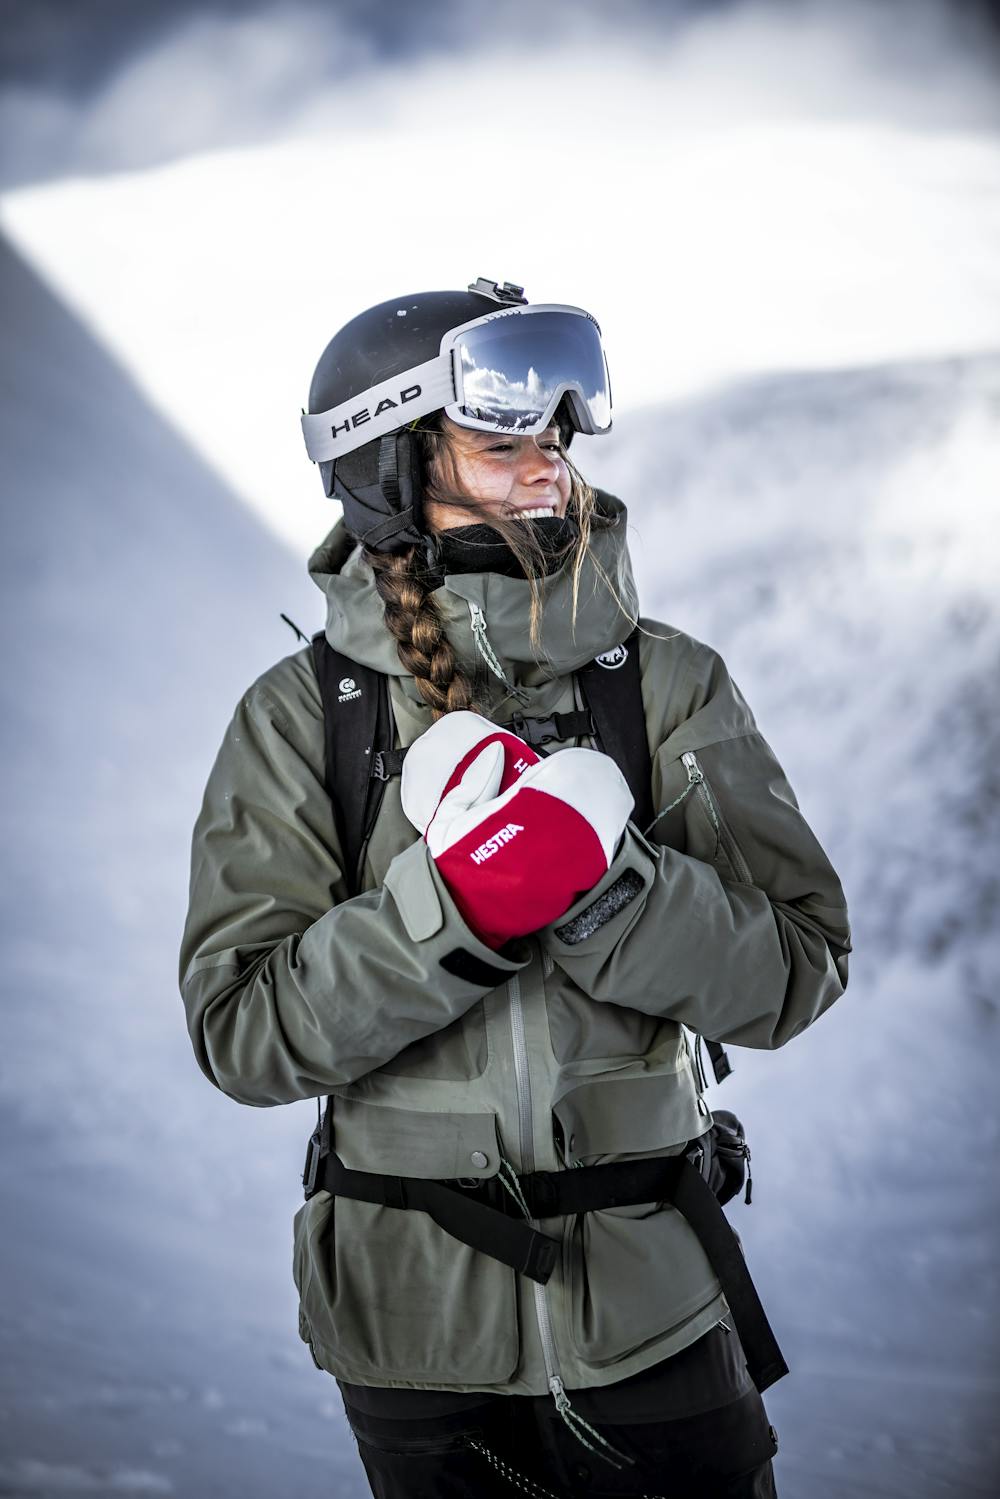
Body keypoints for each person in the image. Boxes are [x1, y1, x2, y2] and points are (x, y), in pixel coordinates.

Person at [179, 277, 851, 1498]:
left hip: (656, 1316)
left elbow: (796, 970)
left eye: (553, 434)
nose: (546, 463)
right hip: (415, 1338)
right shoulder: (302, 718)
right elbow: (243, 1035)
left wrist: (608, 896)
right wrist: (456, 912)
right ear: (390, 463)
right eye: (500, 440)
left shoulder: (662, 685)